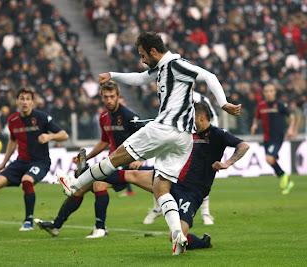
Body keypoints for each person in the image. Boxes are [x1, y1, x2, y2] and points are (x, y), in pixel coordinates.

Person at [57, 32, 241, 255]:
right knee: (160, 186)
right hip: (182, 140)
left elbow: (209, 76)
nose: (142, 59)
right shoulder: (161, 68)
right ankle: (178, 235)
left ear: (153, 51)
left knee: (118, 155)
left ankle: (75, 183)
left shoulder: (176, 65)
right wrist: (112, 74)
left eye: (143, 55)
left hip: (166, 128)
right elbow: (140, 78)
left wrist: (223, 103)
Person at [38, 102, 249, 252]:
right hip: (170, 178)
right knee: (129, 174)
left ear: (205, 118)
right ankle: (84, 173)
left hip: (193, 192)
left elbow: (243, 145)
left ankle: (201, 243)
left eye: (196, 119)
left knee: (175, 237)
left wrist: (227, 163)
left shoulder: (218, 134)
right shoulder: (186, 132)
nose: (192, 122)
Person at [37, 81, 145, 238]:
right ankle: (56, 226)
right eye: (106, 96)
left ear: (118, 96)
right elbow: (104, 142)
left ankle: (100, 228)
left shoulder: (129, 116)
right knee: (80, 189)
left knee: (98, 184)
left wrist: (140, 158)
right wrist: (85, 157)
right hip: (111, 163)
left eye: (112, 96)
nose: (109, 100)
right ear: (101, 96)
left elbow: (146, 137)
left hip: (126, 165)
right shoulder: (103, 118)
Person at [0, 88, 68, 231]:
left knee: (26, 181)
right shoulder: (13, 120)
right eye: (22, 98)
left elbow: (64, 135)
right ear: (17, 101)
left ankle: (28, 221)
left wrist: (50, 137)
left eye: (28, 99)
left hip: (40, 162)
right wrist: (3, 163)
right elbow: (12, 141)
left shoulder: (41, 117)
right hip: (20, 162)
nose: (25, 102)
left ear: (33, 102)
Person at [143, 91, 218, 226]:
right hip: (176, 141)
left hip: (197, 141)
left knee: (199, 176)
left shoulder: (201, 98)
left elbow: (212, 119)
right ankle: (158, 207)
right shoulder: (171, 96)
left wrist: (210, 138)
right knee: (161, 173)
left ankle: (205, 213)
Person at [250, 84, 295, 194]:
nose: (269, 93)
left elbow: (291, 116)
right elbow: (256, 118)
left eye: (271, 91)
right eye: (266, 91)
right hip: (267, 138)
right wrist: (254, 125)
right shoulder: (261, 106)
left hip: (277, 137)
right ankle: (287, 182)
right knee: (270, 160)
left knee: (269, 158)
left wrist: (291, 129)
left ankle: (283, 176)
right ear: (264, 93)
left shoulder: (279, 105)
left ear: (274, 92)